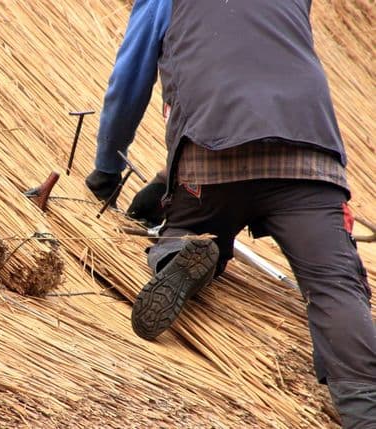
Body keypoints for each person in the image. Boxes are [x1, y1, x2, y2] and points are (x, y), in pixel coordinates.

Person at [84, 0, 376, 426]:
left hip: (210, 160)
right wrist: (164, 175)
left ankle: (185, 251)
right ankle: (364, 405)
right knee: (336, 286)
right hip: (309, 160)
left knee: (183, 229)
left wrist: (108, 167)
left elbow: (130, 82)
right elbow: (258, 73)